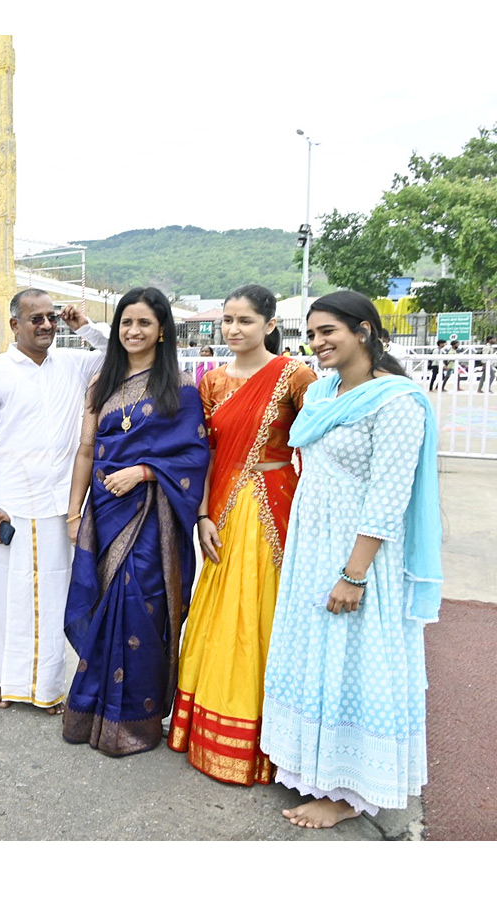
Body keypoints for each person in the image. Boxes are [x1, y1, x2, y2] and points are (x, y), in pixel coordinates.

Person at [261, 290, 441, 829]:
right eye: (311, 334)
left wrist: (353, 574)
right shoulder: (322, 395)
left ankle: (349, 791)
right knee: (316, 654)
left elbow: (389, 497)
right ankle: (315, 767)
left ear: (363, 330)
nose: (316, 344)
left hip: (357, 555)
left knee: (352, 661)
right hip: (311, 546)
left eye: (327, 332)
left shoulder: (397, 402)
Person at [166, 285, 316, 784]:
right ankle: (207, 728)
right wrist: (203, 515)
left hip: (276, 503)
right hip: (223, 510)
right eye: (227, 320)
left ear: (270, 325)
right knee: (218, 612)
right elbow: (203, 452)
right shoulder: (211, 382)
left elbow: (317, 449)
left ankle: (267, 740)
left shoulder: (296, 376)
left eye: (245, 321)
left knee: (263, 613)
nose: (233, 329)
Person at [62, 287, 209, 755]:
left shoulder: (180, 388)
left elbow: (194, 455)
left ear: (162, 329)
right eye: (126, 322)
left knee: (139, 605)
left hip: (152, 516)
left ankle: (135, 722)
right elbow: (87, 450)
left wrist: (146, 471)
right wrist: (73, 511)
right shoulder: (101, 382)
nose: (133, 331)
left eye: (144, 323)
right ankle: (94, 710)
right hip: (104, 511)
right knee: (102, 601)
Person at [0, 289, 110, 714]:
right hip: (12, 502)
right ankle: (8, 680)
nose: (47, 325)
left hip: (59, 504)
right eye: (37, 319)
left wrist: (82, 325)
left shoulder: (73, 363)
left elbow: (113, 348)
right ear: (14, 325)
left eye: (52, 317)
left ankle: (46, 687)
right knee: (9, 598)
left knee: (52, 597)